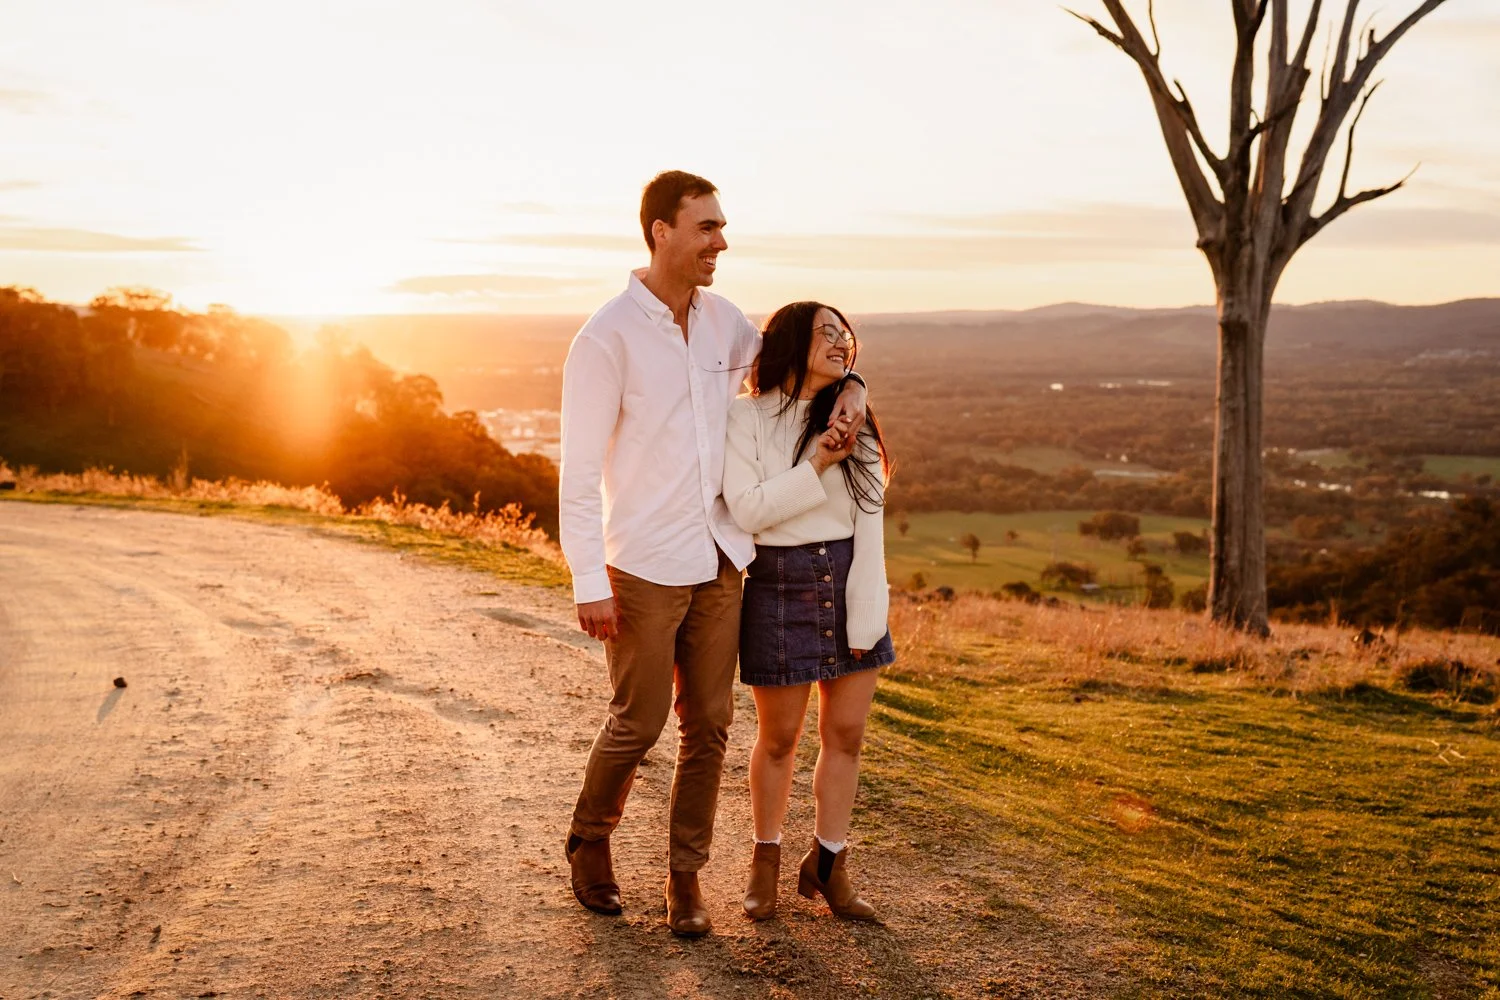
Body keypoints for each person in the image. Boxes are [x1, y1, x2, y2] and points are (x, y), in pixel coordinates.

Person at [558, 171, 867, 938]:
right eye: (707, 227)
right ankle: (590, 840)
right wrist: (589, 579)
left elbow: (803, 361)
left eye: (722, 228)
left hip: (723, 562)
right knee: (639, 722)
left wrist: (852, 379)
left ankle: (684, 880)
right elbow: (576, 473)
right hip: (644, 567)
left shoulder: (726, 322)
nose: (721, 242)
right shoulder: (605, 338)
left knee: (712, 729)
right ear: (661, 231)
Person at [721, 301, 895, 922]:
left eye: (844, 334)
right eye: (825, 332)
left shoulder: (855, 415)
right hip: (779, 581)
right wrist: (819, 460)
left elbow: (869, 521)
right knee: (780, 739)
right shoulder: (747, 417)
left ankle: (827, 864)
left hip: (851, 575)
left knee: (845, 736)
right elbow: (749, 511)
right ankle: (763, 860)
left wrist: (869, 603)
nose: (840, 342)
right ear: (791, 342)